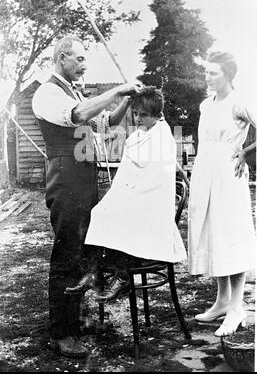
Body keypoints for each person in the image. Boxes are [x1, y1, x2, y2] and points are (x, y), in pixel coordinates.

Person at [32, 35, 141, 357]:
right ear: (62, 57)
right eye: (79, 59)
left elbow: (107, 121)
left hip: (84, 176)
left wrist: (127, 100)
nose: (84, 65)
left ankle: (75, 321)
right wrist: (117, 90)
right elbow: (78, 116)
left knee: (84, 249)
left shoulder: (73, 92)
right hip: (65, 177)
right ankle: (62, 334)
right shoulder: (48, 93)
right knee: (67, 254)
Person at [66, 86, 187, 302]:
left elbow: (155, 176)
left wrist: (130, 197)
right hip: (138, 197)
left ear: (158, 116)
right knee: (100, 211)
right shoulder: (139, 136)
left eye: (144, 115)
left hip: (154, 204)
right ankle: (94, 271)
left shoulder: (162, 137)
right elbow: (129, 174)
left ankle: (122, 276)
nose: (138, 118)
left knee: (123, 215)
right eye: (136, 113)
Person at [188, 51, 256, 337]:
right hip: (205, 173)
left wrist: (246, 152)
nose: (207, 76)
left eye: (213, 72)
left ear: (228, 75)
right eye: (206, 71)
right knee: (214, 235)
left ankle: (237, 307)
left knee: (231, 238)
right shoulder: (206, 105)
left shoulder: (240, 102)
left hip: (229, 176)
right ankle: (222, 301)